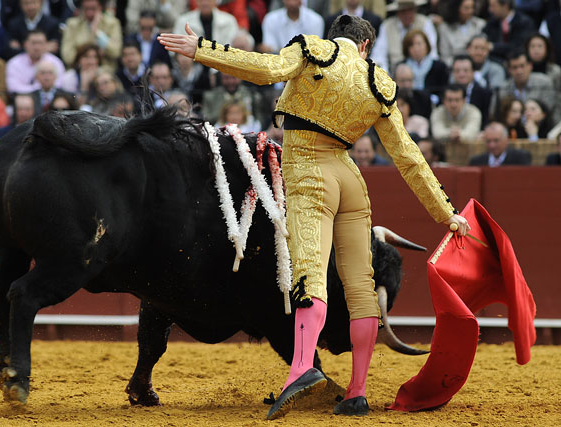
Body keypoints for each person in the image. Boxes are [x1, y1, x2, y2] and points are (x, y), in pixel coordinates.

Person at [159, 14, 469, 420]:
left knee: (311, 273)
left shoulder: (313, 49)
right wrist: (446, 213)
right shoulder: (378, 81)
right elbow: (408, 156)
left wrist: (202, 50)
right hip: (350, 178)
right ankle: (357, 392)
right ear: (365, 45)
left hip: (307, 167)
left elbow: (267, 69)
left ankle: (302, 368)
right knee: (360, 286)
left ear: (336, 38)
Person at [369, 0, 438, 73]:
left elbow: (432, 54)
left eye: (410, 10)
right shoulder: (387, 26)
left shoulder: (425, 23)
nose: (407, 14)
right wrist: (386, 74)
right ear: (397, 11)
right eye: (403, 11)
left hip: (423, 73)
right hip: (394, 75)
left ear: (415, 9)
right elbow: (379, 55)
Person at [493, 49, 556, 124]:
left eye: (522, 66)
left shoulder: (544, 82)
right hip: (513, 128)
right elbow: (498, 114)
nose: (519, 71)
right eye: (514, 67)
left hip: (542, 127)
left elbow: (549, 110)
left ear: (530, 66)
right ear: (509, 70)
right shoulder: (503, 88)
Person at [61, 0, 123, 70]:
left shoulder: (112, 23)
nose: (89, 12)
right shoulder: (72, 24)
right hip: (78, 69)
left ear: (100, 7)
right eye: (86, 9)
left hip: (104, 70)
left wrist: (97, 33)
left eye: (93, 8)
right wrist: (99, 51)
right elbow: (67, 57)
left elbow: (116, 52)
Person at [5, 29, 65, 95]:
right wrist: (37, 90)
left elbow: (59, 85)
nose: (37, 47)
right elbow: (13, 87)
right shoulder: (14, 63)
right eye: (33, 43)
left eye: (40, 43)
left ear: (46, 44)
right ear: (25, 44)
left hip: (50, 98)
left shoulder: (55, 62)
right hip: (24, 98)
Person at [401, 29, 449, 103]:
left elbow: (444, 91)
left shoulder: (440, 67)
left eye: (419, 44)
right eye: (412, 45)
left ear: (427, 45)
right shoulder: (401, 67)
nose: (416, 48)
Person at [259, 0, 324, 53]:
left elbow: (314, 50)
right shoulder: (271, 19)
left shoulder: (316, 20)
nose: (292, 2)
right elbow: (268, 49)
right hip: (279, 64)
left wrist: (280, 50)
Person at [172, 0, 239, 48]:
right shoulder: (183, 21)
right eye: (201, 0)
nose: (204, 3)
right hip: (193, 65)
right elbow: (176, 47)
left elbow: (232, 48)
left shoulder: (229, 21)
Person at [437, 0, 485, 66]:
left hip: (478, 66)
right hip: (454, 68)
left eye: (472, 7)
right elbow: (445, 56)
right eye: (466, 8)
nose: (470, 11)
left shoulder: (480, 24)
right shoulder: (444, 28)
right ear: (457, 9)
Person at [451, 54, 493, 126]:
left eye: (465, 70)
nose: (461, 74)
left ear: (473, 72)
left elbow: (486, 119)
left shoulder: (485, 94)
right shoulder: (446, 92)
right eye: (457, 71)